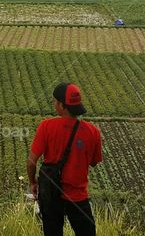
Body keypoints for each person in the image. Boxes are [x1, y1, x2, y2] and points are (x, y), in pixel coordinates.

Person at [27, 82, 103, 236]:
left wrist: (33, 182)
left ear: (62, 105)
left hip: (51, 195)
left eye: (55, 101)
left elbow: (31, 161)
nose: (54, 104)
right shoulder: (93, 131)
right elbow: (94, 162)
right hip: (78, 196)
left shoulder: (46, 126)